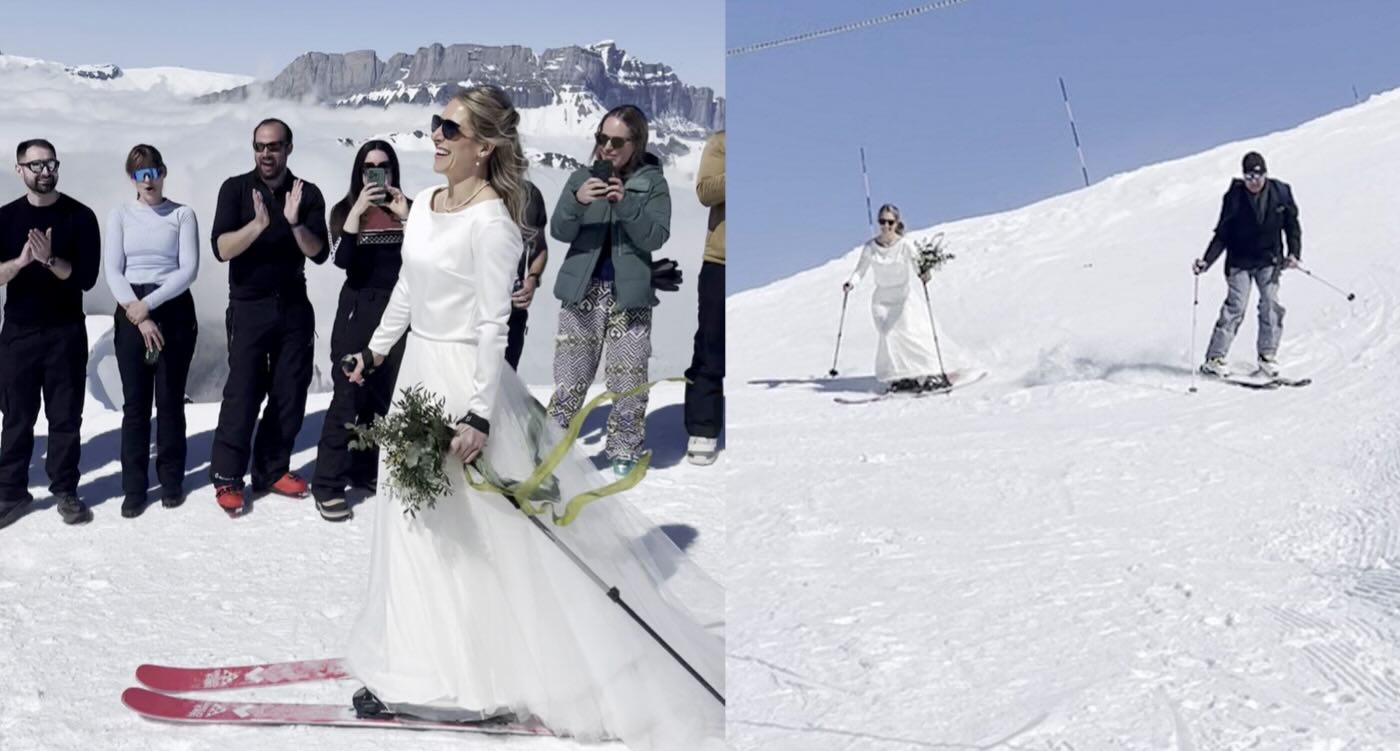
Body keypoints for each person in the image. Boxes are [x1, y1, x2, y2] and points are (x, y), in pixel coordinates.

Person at [340, 86, 724, 750]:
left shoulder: (493, 224)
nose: (434, 136)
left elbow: (494, 327)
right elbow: (408, 286)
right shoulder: (427, 206)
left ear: (482, 146)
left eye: (448, 129)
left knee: (472, 534)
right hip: (415, 377)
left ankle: (475, 678)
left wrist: (478, 416)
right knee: (410, 521)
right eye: (434, 124)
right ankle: (412, 661)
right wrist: (373, 351)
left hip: (464, 384)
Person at [208, 118, 330, 514]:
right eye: (260, 146)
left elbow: (318, 252)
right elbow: (222, 248)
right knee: (243, 389)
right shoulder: (236, 189)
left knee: (289, 390)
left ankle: (271, 468)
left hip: (294, 303)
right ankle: (228, 476)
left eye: (274, 146)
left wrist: (293, 222)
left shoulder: (307, 193)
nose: (266, 153)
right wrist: (258, 224)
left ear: (288, 149)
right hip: (248, 304)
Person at [548, 105, 670, 477]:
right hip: (582, 291)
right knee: (569, 378)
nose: (607, 148)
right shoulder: (581, 178)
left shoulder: (652, 183)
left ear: (636, 142)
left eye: (617, 141)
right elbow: (559, 230)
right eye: (602, 139)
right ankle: (551, 449)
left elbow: (656, 236)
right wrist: (578, 200)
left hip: (628, 296)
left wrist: (627, 203)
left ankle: (624, 449)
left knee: (628, 378)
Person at [0, 139, 100, 530]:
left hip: (66, 331)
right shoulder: (5, 219)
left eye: (50, 164)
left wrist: (51, 260)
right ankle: (11, 492)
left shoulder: (80, 216)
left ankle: (65, 490)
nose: (44, 171)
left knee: (65, 416)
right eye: (35, 165)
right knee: (16, 416)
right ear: (19, 170)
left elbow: (86, 279)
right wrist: (21, 263)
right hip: (19, 332)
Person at [310, 141, 411, 522]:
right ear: (358, 171)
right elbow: (343, 261)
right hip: (358, 308)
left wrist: (405, 218)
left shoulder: (409, 209)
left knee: (385, 396)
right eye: (369, 166)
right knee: (349, 395)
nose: (377, 172)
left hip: (399, 308)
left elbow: (423, 259)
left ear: (393, 170)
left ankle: (365, 469)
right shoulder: (344, 211)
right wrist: (357, 210)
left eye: (383, 166)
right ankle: (327, 485)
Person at [102, 144, 200, 518]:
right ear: (132, 179)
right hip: (131, 307)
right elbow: (113, 270)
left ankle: (171, 479)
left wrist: (151, 305)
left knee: (171, 399)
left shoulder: (182, 215)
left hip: (171, 306)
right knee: (136, 405)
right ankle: (134, 487)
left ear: (164, 172)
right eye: (141, 174)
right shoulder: (120, 215)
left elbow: (187, 269)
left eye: (154, 171)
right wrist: (138, 314)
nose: (149, 180)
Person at [1193, 151, 1302, 378]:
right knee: (1236, 306)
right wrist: (1206, 261)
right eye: (1249, 177)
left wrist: (1293, 253)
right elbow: (1222, 234)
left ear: (1265, 174)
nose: (1254, 181)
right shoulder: (1234, 197)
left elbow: (1292, 226)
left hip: (1269, 260)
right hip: (1239, 262)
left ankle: (1267, 356)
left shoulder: (1281, 193)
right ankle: (1214, 359)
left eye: (1257, 176)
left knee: (1270, 304)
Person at [842, 203, 948, 393]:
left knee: (910, 336)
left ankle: (931, 373)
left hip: (903, 298)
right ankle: (902, 376)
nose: (886, 226)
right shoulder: (871, 247)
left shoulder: (905, 245)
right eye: (882, 222)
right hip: (881, 300)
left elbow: (918, 266)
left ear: (896, 222)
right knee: (888, 336)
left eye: (890, 222)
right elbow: (860, 270)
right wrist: (851, 283)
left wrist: (924, 274)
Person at [684, 129, 724, 466]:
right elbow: (705, 192)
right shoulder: (721, 142)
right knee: (711, 343)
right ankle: (703, 425)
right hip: (720, 260)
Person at [504, 180, 547, 371]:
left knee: (504, 383)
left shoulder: (527, 194)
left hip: (511, 311)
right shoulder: (465, 190)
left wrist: (532, 278)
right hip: (465, 311)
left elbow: (538, 246)